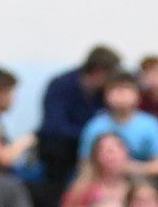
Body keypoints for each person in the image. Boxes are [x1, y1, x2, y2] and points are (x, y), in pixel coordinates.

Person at [38, 44, 120, 192]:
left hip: (92, 147)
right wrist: (89, 134)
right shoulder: (61, 86)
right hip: (62, 149)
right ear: (99, 71)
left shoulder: (104, 93)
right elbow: (54, 126)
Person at [78, 69, 158, 176]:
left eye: (126, 89)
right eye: (115, 89)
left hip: (141, 179)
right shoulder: (95, 125)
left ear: (138, 94)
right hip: (103, 179)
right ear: (105, 95)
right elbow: (84, 164)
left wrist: (127, 168)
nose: (121, 94)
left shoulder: (151, 124)